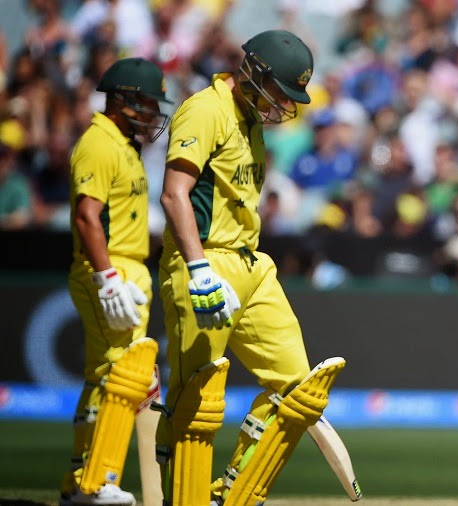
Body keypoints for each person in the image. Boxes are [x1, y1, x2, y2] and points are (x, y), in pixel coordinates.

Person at [156, 29, 345, 505]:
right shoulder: (205, 109)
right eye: (279, 90)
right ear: (255, 72)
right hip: (204, 259)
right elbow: (175, 194)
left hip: (252, 262)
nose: (282, 104)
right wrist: (198, 269)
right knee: (194, 399)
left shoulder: (252, 121)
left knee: (299, 391)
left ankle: (231, 493)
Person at [61, 57, 171, 506]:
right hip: (109, 270)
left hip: (127, 269)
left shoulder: (125, 145)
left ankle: (80, 482)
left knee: (101, 376)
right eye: (148, 103)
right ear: (123, 100)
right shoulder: (99, 144)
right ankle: (96, 480)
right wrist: (108, 279)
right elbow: (87, 217)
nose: (154, 113)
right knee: (119, 375)